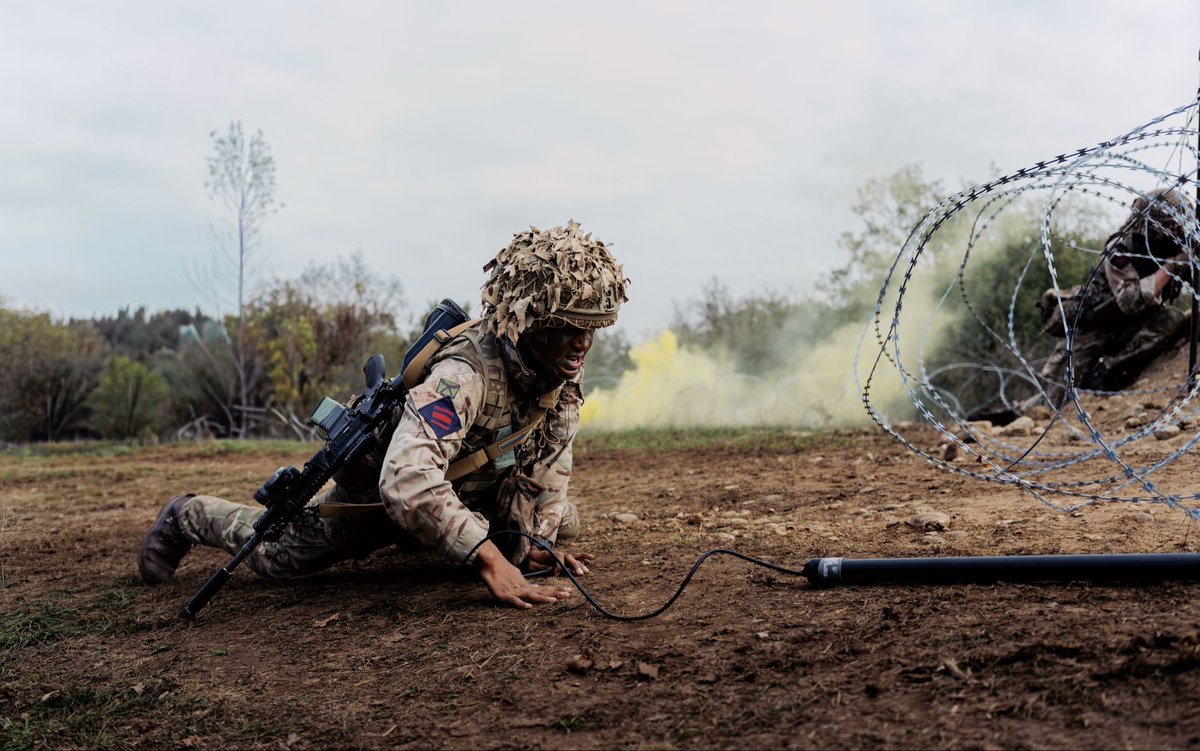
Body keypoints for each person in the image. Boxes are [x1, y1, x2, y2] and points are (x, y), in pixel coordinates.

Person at [137, 220, 630, 610]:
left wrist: (533, 545)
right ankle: (188, 515)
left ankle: (447, 535)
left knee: (563, 521)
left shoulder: (559, 384)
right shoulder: (464, 376)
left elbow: (549, 470)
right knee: (276, 558)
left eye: (590, 330)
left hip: (463, 490)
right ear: (534, 325)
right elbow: (407, 481)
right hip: (381, 495)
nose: (582, 343)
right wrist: (491, 561)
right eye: (568, 328)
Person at [974, 188, 1195, 426]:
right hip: (1093, 327)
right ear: (1154, 227)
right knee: (1052, 402)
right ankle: (1008, 416)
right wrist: (1173, 266)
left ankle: (1106, 373)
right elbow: (1129, 301)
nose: (1179, 233)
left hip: (1136, 324)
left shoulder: (1174, 245)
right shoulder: (1121, 250)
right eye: (1173, 227)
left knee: (1171, 319)